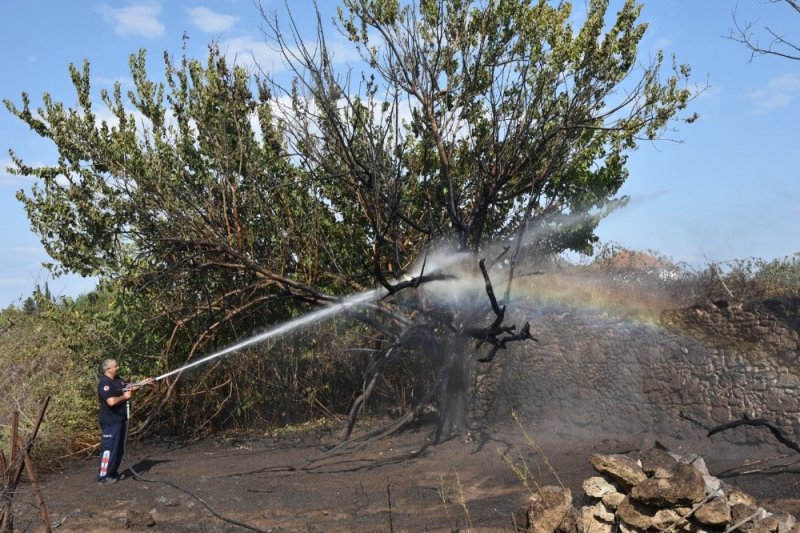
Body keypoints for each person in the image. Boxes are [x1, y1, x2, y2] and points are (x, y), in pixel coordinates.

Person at [97, 358, 152, 485]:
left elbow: (129, 387)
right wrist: (125, 397)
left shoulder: (118, 380)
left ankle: (112, 472)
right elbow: (111, 402)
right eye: (115, 366)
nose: (118, 367)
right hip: (110, 421)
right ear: (109, 369)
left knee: (117, 448)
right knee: (108, 448)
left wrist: (144, 382)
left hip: (120, 420)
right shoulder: (105, 383)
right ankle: (103, 477)